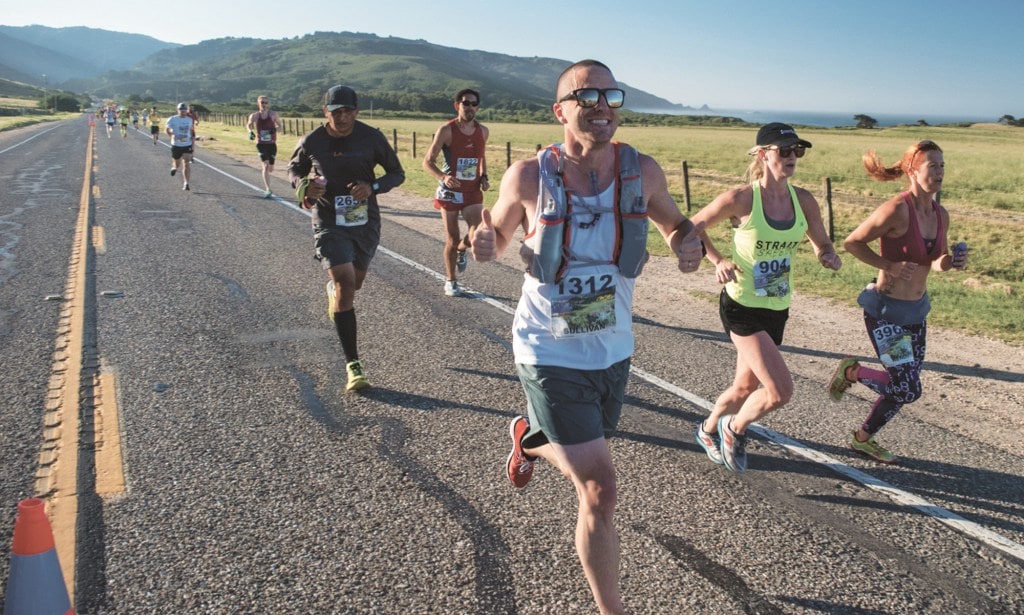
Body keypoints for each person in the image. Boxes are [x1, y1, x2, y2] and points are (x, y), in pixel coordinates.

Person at [471, 60, 705, 615]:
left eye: (610, 95)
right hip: (546, 346)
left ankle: (530, 437)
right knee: (600, 489)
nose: (602, 104)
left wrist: (687, 245)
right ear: (561, 111)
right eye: (587, 96)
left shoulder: (642, 171)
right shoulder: (529, 176)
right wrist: (485, 242)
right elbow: (499, 233)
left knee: (587, 452)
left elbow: (676, 223)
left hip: (612, 345)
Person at [690, 123, 842, 474]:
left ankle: (708, 428)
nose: (792, 157)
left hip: (776, 306)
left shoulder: (803, 201)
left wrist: (827, 256)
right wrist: (718, 260)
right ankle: (735, 428)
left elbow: (822, 242)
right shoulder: (741, 198)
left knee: (744, 387)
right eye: (784, 151)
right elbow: (692, 226)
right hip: (741, 306)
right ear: (763, 154)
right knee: (779, 391)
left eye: (797, 151)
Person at [828, 140, 966, 463]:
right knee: (907, 388)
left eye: (943, 166)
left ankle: (862, 439)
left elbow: (934, 261)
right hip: (886, 312)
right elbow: (852, 242)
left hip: (916, 313)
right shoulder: (897, 210)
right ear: (912, 171)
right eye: (933, 166)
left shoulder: (940, 214)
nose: (940, 172)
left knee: (902, 387)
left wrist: (951, 262)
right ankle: (852, 373)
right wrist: (887, 266)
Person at [287, 85, 405, 392]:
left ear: (356, 111)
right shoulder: (312, 140)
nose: (341, 117)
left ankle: (336, 293)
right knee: (345, 283)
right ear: (325, 112)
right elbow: (294, 169)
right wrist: (304, 186)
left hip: (364, 221)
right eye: (335, 111)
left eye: (347, 111)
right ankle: (354, 365)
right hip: (328, 220)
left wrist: (373, 187)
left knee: (355, 283)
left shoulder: (371, 137)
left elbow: (396, 173)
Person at [422, 88, 490, 296]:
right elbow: (427, 162)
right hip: (450, 192)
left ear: (478, 107)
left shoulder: (483, 131)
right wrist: (444, 177)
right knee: (452, 237)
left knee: (479, 231)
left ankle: (463, 249)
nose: (469, 107)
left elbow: (481, 156)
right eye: (465, 103)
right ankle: (451, 281)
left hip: (472, 191)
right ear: (457, 105)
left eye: (473, 103)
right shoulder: (447, 130)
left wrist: (484, 175)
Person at [246, 95, 282, 198]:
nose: (264, 104)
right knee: (265, 166)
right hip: (260, 144)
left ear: (268, 104)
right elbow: (248, 125)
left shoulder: (273, 114)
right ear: (258, 103)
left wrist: (274, 130)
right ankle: (268, 189)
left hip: (272, 144)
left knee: (270, 168)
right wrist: (250, 132)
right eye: (262, 102)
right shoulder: (254, 116)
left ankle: (271, 166)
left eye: (266, 102)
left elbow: (281, 127)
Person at [165, 102, 195, 191]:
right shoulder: (172, 119)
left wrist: (192, 139)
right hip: (176, 144)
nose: (183, 112)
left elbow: (191, 130)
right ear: (177, 110)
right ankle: (174, 167)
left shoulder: (189, 120)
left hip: (187, 144)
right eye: (181, 110)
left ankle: (186, 183)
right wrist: (171, 134)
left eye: (184, 110)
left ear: (187, 110)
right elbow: (166, 129)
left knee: (186, 163)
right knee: (177, 163)